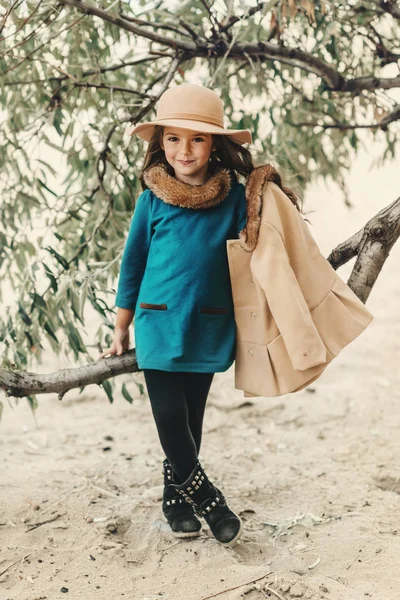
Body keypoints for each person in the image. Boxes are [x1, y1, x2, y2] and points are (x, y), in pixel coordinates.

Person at [98, 83, 298, 546]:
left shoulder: (233, 200)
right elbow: (133, 264)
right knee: (168, 415)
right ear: (160, 143)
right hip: (158, 321)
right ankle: (208, 499)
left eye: (197, 139)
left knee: (191, 418)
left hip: (209, 321)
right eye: (173, 138)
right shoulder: (152, 200)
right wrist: (121, 324)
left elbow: (259, 247)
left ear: (215, 145)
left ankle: (175, 499)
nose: (183, 150)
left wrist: (266, 192)